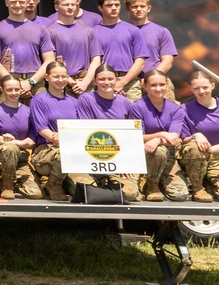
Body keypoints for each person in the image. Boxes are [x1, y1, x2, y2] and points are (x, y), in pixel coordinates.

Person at [76, 64, 141, 202]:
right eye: (102, 79)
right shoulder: (86, 99)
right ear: (95, 82)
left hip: (119, 156)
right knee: (82, 190)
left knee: (129, 194)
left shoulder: (125, 102)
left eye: (110, 79)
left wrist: (126, 162)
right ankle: (102, 182)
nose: (106, 82)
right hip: (93, 155)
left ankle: (113, 183)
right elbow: (86, 131)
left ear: (116, 80)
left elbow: (130, 136)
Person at [126, 70, 189, 201]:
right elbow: (136, 137)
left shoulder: (176, 109)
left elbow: (174, 139)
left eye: (162, 84)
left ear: (167, 85)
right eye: (153, 85)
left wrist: (157, 140)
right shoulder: (136, 107)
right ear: (145, 86)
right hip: (140, 157)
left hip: (168, 160)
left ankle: (157, 181)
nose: (158, 88)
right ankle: (151, 186)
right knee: (128, 194)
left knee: (180, 195)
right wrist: (161, 134)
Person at [0, 0, 55, 103]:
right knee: (6, 120)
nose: (17, 5)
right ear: (6, 3)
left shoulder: (41, 29)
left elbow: (50, 60)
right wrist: (12, 82)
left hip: (36, 84)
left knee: (39, 120)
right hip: (8, 82)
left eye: (21, 2)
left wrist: (31, 82)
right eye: (13, 2)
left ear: (27, 2)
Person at [29, 61, 84, 201]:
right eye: (56, 76)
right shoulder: (39, 100)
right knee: (63, 154)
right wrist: (59, 139)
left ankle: (64, 180)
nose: (61, 80)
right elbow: (41, 128)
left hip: (71, 149)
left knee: (82, 190)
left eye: (64, 76)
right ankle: (53, 185)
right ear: (46, 78)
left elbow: (80, 128)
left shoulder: (74, 101)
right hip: (46, 150)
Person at [0, 75, 42, 200]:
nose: (14, 93)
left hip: (20, 160)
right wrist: (15, 143)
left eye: (17, 89)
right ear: (2, 90)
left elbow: (31, 142)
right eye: (9, 90)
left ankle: (12, 180)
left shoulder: (29, 111)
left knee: (35, 193)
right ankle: (7, 187)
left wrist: (14, 141)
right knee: (10, 148)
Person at [92, 0, 148, 101]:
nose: (114, 8)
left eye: (117, 5)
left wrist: (122, 83)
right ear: (100, 8)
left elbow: (140, 62)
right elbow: (93, 61)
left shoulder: (133, 30)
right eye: (109, 5)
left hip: (129, 83)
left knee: (133, 116)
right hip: (103, 81)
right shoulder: (93, 32)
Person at [45, 0, 101, 95]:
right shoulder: (49, 31)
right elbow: (50, 61)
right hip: (61, 83)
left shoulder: (88, 31)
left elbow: (96, 59)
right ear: (57, 7)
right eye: (66, 4)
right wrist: (68, 80)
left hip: (86, 83)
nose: (70, 7)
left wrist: (85, 82)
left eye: (73, 4)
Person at [125, 0, 178, 101]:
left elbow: (167, 61)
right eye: (134, 6)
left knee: (167, 115)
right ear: (127, 9)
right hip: (130, 84)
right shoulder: (122, 31)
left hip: (158, 83)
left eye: (142, 6)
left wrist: (151, 79)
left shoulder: (161, 31)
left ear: (149, 8)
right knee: (133, 117)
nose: (139, 9)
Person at [179, 70, 219, 203]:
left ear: (213, 86)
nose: (201, 91)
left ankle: (211, 183)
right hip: (198, 158)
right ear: (190, 88)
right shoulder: (184, 109)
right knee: (193, 147)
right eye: (196, 88)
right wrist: (195, 135)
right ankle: (198, 188)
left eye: (205, 87)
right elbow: (184, 138)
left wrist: (214, 149)